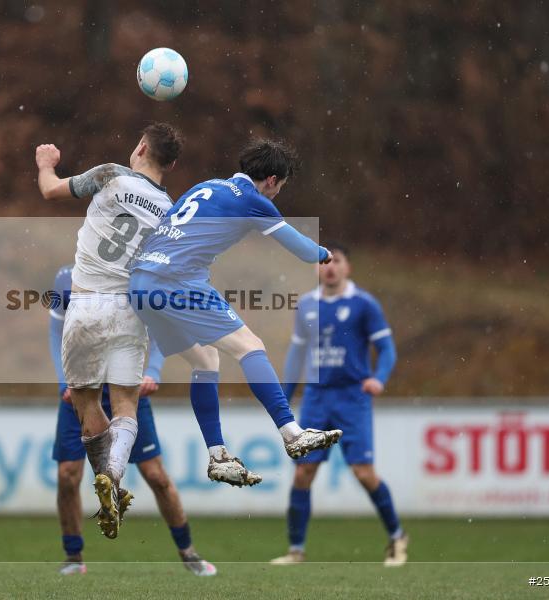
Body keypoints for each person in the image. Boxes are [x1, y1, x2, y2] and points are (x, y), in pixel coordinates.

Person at [128, 138, 342, 488]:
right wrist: (323, 252)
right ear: (272, 180)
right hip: (175, 282)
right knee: (249, 345)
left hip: (141, 283)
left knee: (206, 360)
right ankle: (292, 433)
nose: (276, 195)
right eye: (280, 187)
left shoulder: (206, 186)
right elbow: (304, 252)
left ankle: (217, 456)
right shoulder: (253, 201)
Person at [35, 122, 184, 538]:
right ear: (170, 164)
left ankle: (108, 481)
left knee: (87, 409)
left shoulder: (110, 174)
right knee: (125, 408)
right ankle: (114, 475)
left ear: (139, 147)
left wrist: (45, 163)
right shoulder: (171, 212)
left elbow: (50, 190)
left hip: (85, 305)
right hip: (130, 312)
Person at [48, 265, 216, 577]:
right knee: (67, 475)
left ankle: (188, 552)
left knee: (156, 476)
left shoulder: (139, 278)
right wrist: (64, 382)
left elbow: (157, 327)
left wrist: (152, 370)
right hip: (82, 389)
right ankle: (73, 556)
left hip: (125, 390)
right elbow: (57, 330)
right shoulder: (68, 278)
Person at [270, 242, 407, 566]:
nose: (329, 267)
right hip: (317, 397)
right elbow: (296, 355)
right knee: (303, 473)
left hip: (352, 398)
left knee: (364, 473)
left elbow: (386, 349)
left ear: (347, 267)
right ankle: (296, 550)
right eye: (323, 261)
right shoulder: (307, 305)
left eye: (337, 261)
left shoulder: (363, 304)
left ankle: (397, 537)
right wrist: (283, 399)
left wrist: (380, 377)